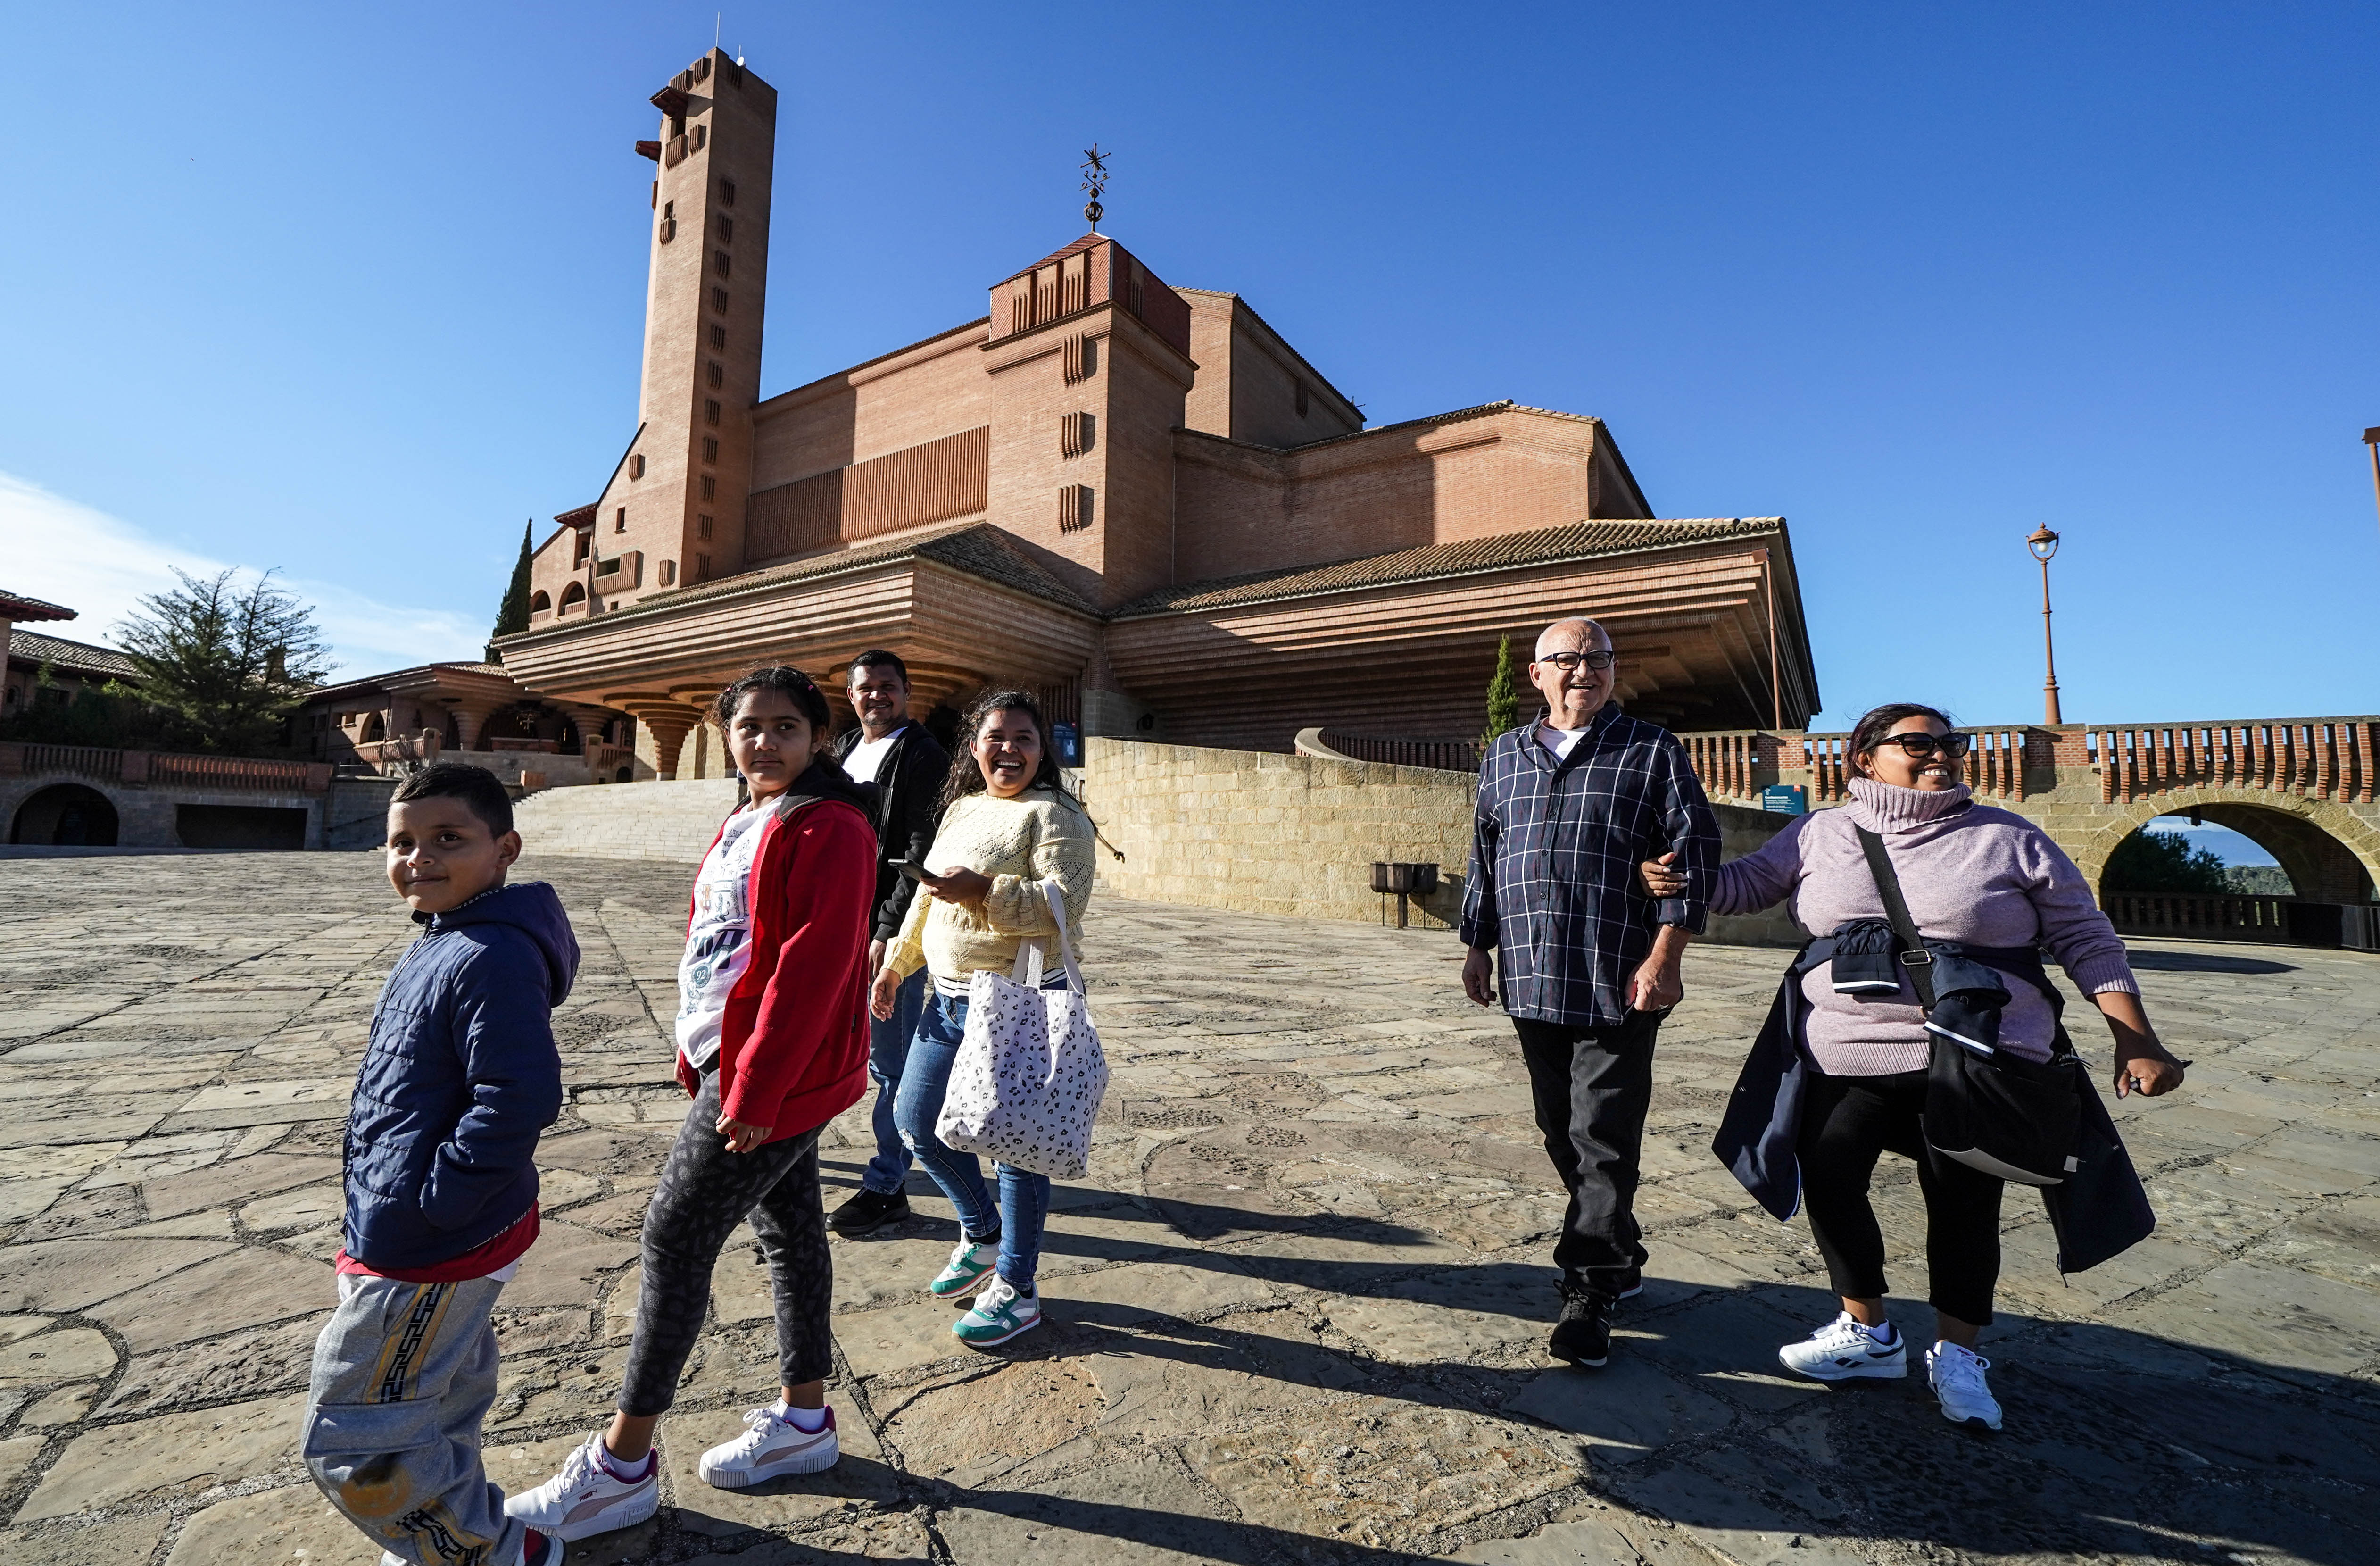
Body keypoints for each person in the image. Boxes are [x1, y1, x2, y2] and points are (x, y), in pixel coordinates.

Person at [1642, 702, 2186, 1431]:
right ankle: (1866, 1329)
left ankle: (1957, 1356)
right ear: (1864, 758)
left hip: (1973, 1056)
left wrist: (2134, 1037)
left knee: (1961, 1201)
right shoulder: (1821, 831)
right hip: (1844, 1051)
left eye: (1949, 744)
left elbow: (2084, 937)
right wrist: (1675, 874)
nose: (1942, 755)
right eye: (1918, 744)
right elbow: (1742, 889)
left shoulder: (2006, 837)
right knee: (1827, 1174)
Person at [506, 667, 876, 1542]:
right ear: (726, 736)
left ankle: (621, 1467)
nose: (766, 742)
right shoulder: (747, 816)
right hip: (737, 1059)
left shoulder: (833, 824)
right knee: (790, 1234)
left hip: (768, 1074)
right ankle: (806, 1420)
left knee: (673, 1238)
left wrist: (751, 1089)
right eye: (749, 727)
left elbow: (812, 967)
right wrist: (699, 1049)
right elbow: (723, 944)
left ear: (818, 738)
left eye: (787, 727)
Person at [302, 763, 577, 1566]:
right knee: (436, 1400)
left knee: (356, 1434)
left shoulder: (490, 952)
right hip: (408, 1221)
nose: (418, 858)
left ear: (504, 851)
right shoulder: (445, 936)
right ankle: (453, 1532)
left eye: (447, 840)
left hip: (433, 1238)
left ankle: (480, 1551)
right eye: (402, 843)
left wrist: (436, 1205)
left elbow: (519, 1095)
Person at [1457, 617, 1718, 1370]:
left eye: (1597, 659)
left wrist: (1666, 954)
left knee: (1602, 1134)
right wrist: (1477, 944)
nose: (1583, 671)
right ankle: (1619, 1245)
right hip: (1532, 975)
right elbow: (1483, 853)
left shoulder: (1651, 750)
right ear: (1535, 675)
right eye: (1565, 660)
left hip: (1618, 977)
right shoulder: (1503, 757)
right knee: (1557, 1128)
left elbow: (1693, 852)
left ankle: (1590, 1287)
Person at [868, 689, 1094, 1349]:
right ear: (974, 747)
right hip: (946, 998)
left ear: (1040, 751)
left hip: (1019, 999)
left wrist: (985, 892)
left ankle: (1017, 1287)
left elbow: (1065, 903)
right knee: (915, 1121)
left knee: (1015, 1150)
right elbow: (925, 898)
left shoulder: (1055, 816)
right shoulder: (962, 809)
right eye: (995, 736)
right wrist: (896, 965)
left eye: (1023, 739)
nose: (1008, 749)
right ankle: (983, 1231)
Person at [825, 649, 950, 1237]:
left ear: (907, 691)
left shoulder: (923, 754)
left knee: (891, 1061)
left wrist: (888, 930)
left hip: (886, 932)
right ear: (850, 695)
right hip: (833, 922)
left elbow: (919, 849)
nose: (876, 696)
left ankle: (887, 1185)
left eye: (887, 687)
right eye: (865, 687)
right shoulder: (846, 748)